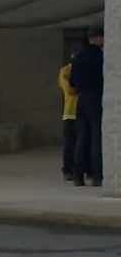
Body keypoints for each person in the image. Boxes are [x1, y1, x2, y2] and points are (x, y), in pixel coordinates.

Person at [69, 25, 104, 187]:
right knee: (96, 137)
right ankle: (97, 175)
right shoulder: (100, 56)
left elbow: (72, 82)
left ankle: (78, 176)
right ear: (98, 38)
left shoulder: (78, 56)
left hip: (81, 99)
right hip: (95, 98)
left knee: (81, 138)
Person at [58, 53, 79, 182]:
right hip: (70, 112)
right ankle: (68, 169)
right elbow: (68, 89)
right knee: (70, 143)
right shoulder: (66, 71)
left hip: (82, 111)